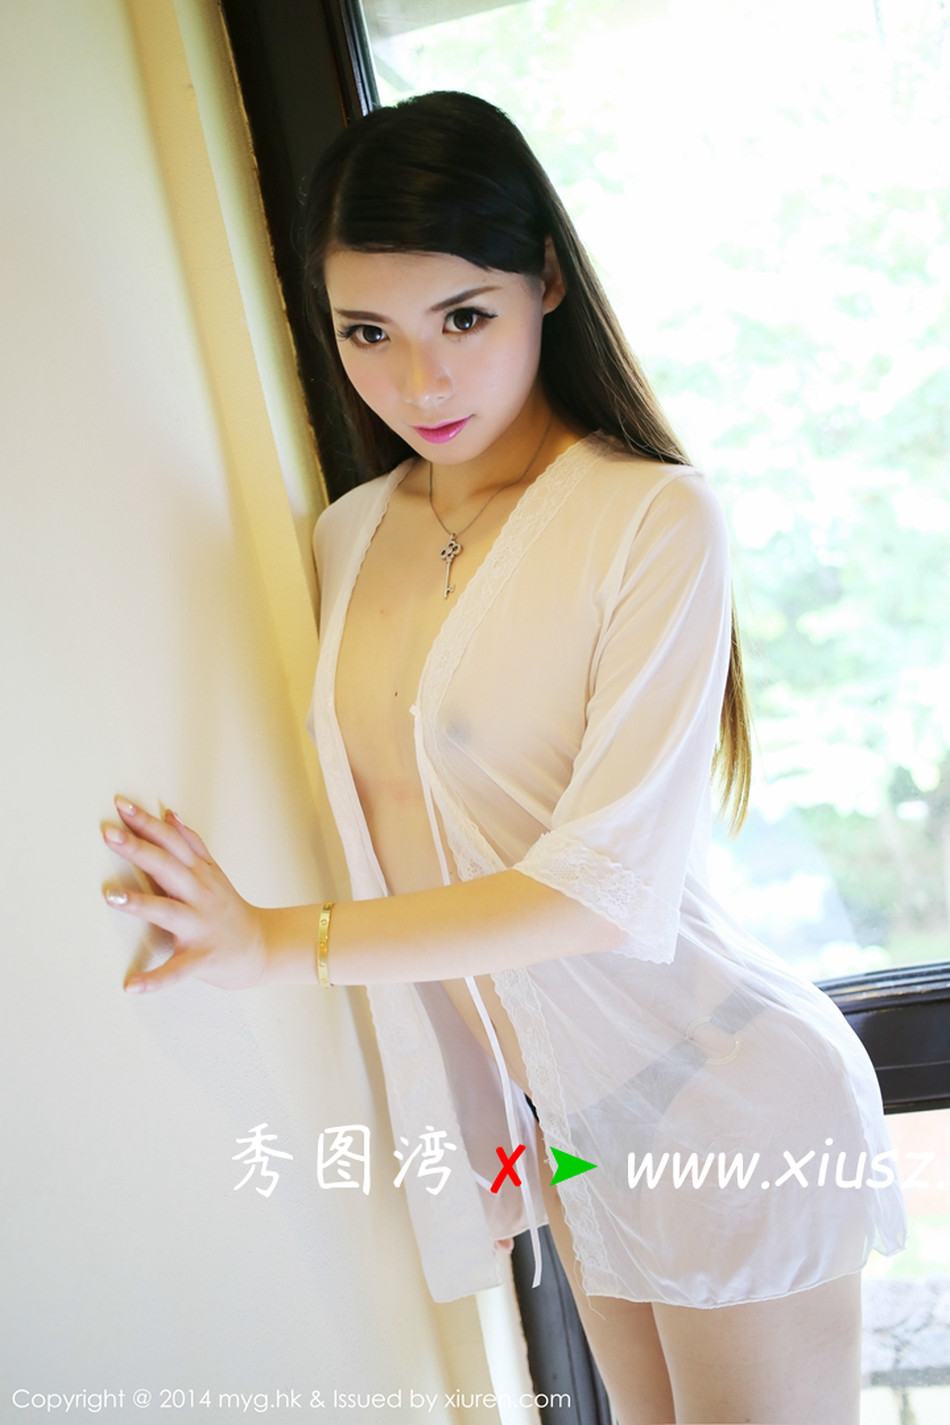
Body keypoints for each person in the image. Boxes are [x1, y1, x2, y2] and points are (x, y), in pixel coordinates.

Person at [103, 91, 905, 1424]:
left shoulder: (650, 517)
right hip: (571, 1131)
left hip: (726, 1095)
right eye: (368, 332)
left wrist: (274, 940)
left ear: (545, 280)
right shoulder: (348, 537)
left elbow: (599, 890)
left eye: (463, 319)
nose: (418, 382)